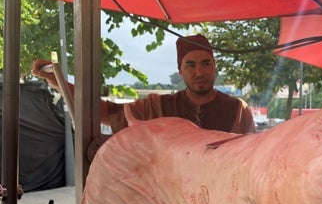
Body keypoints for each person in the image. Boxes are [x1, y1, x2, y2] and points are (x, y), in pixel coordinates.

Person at [31, 34, 256, 134]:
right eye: (190, 65)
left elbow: (252, 162)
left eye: (206, 63)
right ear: (180, 71)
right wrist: (58, 82)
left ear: (214, 67)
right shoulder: (159, 107)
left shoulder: (238, 110)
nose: (199, 72)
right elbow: (107, 113)